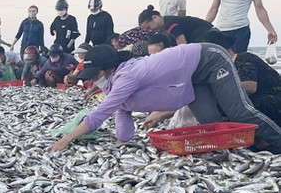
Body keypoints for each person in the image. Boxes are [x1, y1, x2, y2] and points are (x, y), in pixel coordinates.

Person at [48, 44, 281, 153]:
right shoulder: (114, 83)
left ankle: (277, 142)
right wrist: (122, 144)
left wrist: (66, 139)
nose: (92, 79)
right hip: (191, 77)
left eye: (94, 73)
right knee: (210, 122)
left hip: (209, 59)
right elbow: (121, 115)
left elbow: (100, 114)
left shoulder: (127, 76)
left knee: (239, 111)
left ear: (107, 68)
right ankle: (253, 148)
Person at [201, 29, 281, 129]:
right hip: (259, 102)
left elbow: (250, 87)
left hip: (272, 99)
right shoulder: (223, 68)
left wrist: (219, 89)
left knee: (249, 106)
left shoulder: (243, 59)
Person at [138, 6, 212, 45]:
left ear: (155, 17)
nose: (150, 31)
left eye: (149, 27)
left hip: (209, 36)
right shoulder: (168, 22)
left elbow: (182, 45)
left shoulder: (169, 24)